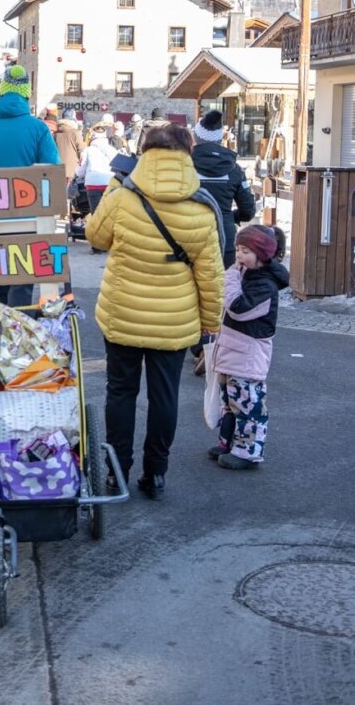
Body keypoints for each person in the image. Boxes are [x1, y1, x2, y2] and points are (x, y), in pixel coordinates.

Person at [86, 123, 224, 499]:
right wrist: (211, 324)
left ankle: (117, 472)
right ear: (187, 154)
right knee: (165, 396)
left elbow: (96, 238)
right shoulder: (201, 205)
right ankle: (156, 474)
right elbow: (211, 275)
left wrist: (115, 189)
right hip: (174, 322)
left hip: (122, 313)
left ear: (145, 152)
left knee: (121, 393)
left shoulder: (122, 196)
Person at [0, 64, 60, 308]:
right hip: (30, 218)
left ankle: (0, 320)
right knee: (23, 277)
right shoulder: (39, 129)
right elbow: (53, 171)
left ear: (1, 93)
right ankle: (17, 331)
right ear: (26, 94)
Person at [208, 225, 288, 470]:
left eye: (245, 251)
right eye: (238, 250)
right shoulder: (247, 274)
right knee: (230, 400)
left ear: (262, 255)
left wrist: (230, 279)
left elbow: (238, 308)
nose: (239, 256)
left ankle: (247, 451)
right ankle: (229, 442)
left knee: (248, 403)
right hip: (233, 351)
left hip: (248, 354)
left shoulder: (265, 285)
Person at [191, 110, 255, 268]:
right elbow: (248, 210)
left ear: (196, 138)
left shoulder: (184, 165)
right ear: (221, 139)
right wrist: (230, 216)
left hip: (190, 237)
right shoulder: (235, 169)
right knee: (224, 288)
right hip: (224, 238)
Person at [75, 124, 117, 218]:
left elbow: (80, 172)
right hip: (110, 184)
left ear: (92, 136)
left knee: (96, 214)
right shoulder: (112, 150)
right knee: (109, 214)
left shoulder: (88, 150)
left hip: (93, 185)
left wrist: (78, 173)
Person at [54, 109, 85, 185]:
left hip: (57, 168)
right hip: (72, 170)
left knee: (59, 193)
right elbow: (82, 151)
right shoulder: (75, 133)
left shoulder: (56, 133)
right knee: (69, 194)